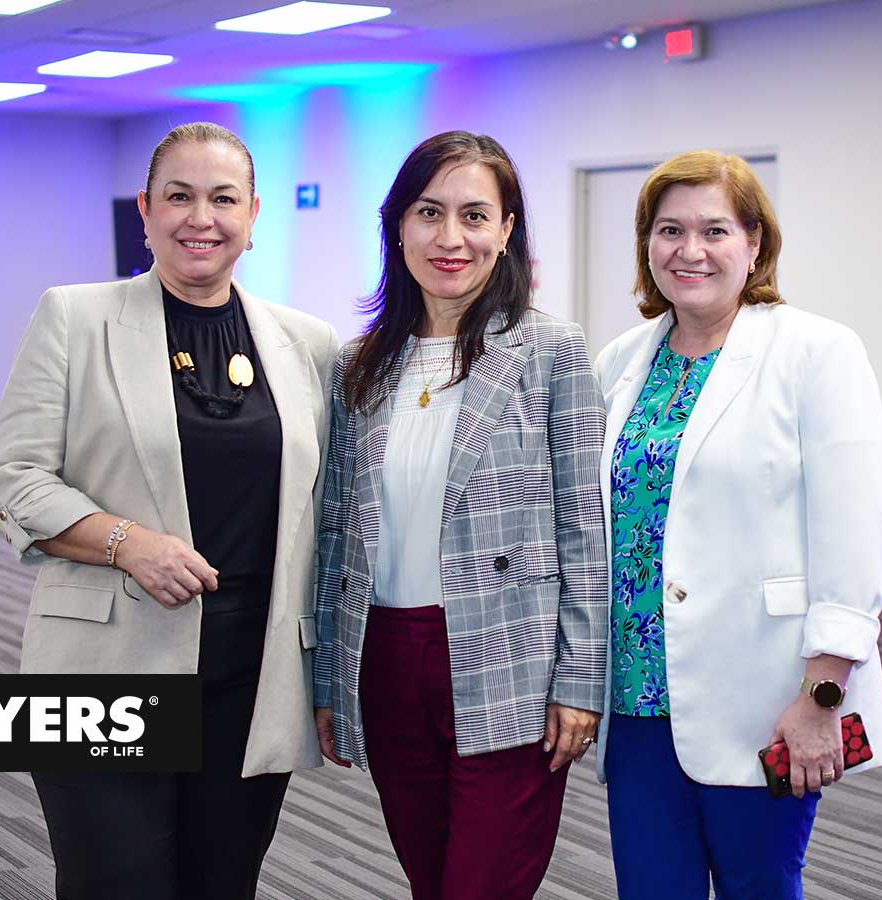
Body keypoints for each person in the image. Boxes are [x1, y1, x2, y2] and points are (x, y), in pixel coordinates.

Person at [0, 122, 339, 900]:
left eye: (222, 199)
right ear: (145, 211)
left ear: (252, 216)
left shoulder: (308, 345)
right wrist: (125, 541)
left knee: (222, 881)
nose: (199, 218)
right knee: (115, 881)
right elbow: (13, 477)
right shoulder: (75, 318)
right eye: (178, 196)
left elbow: (330, 511)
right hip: (109, 661)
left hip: (253, 671)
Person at [312, 131, 608, 900]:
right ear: (398, 226)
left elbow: (584, 527)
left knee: (480, 885)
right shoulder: (361, 363)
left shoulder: (550, 352)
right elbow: (336, 530)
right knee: (429, 877)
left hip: (505, 657)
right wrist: (327, 680)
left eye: (475, 215)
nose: (451, 238)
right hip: (385, 655)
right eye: (429, 212)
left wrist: (580, 680)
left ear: (507, 229)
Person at [592, 149, 882, 899]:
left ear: (755, 242)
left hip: (764, 694)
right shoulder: (622, 360)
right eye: (668, 231)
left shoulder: (816, 352)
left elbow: (854, 537)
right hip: (635, 697)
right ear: (646, 245)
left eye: (715, 230)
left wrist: (823, 697)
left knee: (759, 883)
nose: (689, 251)